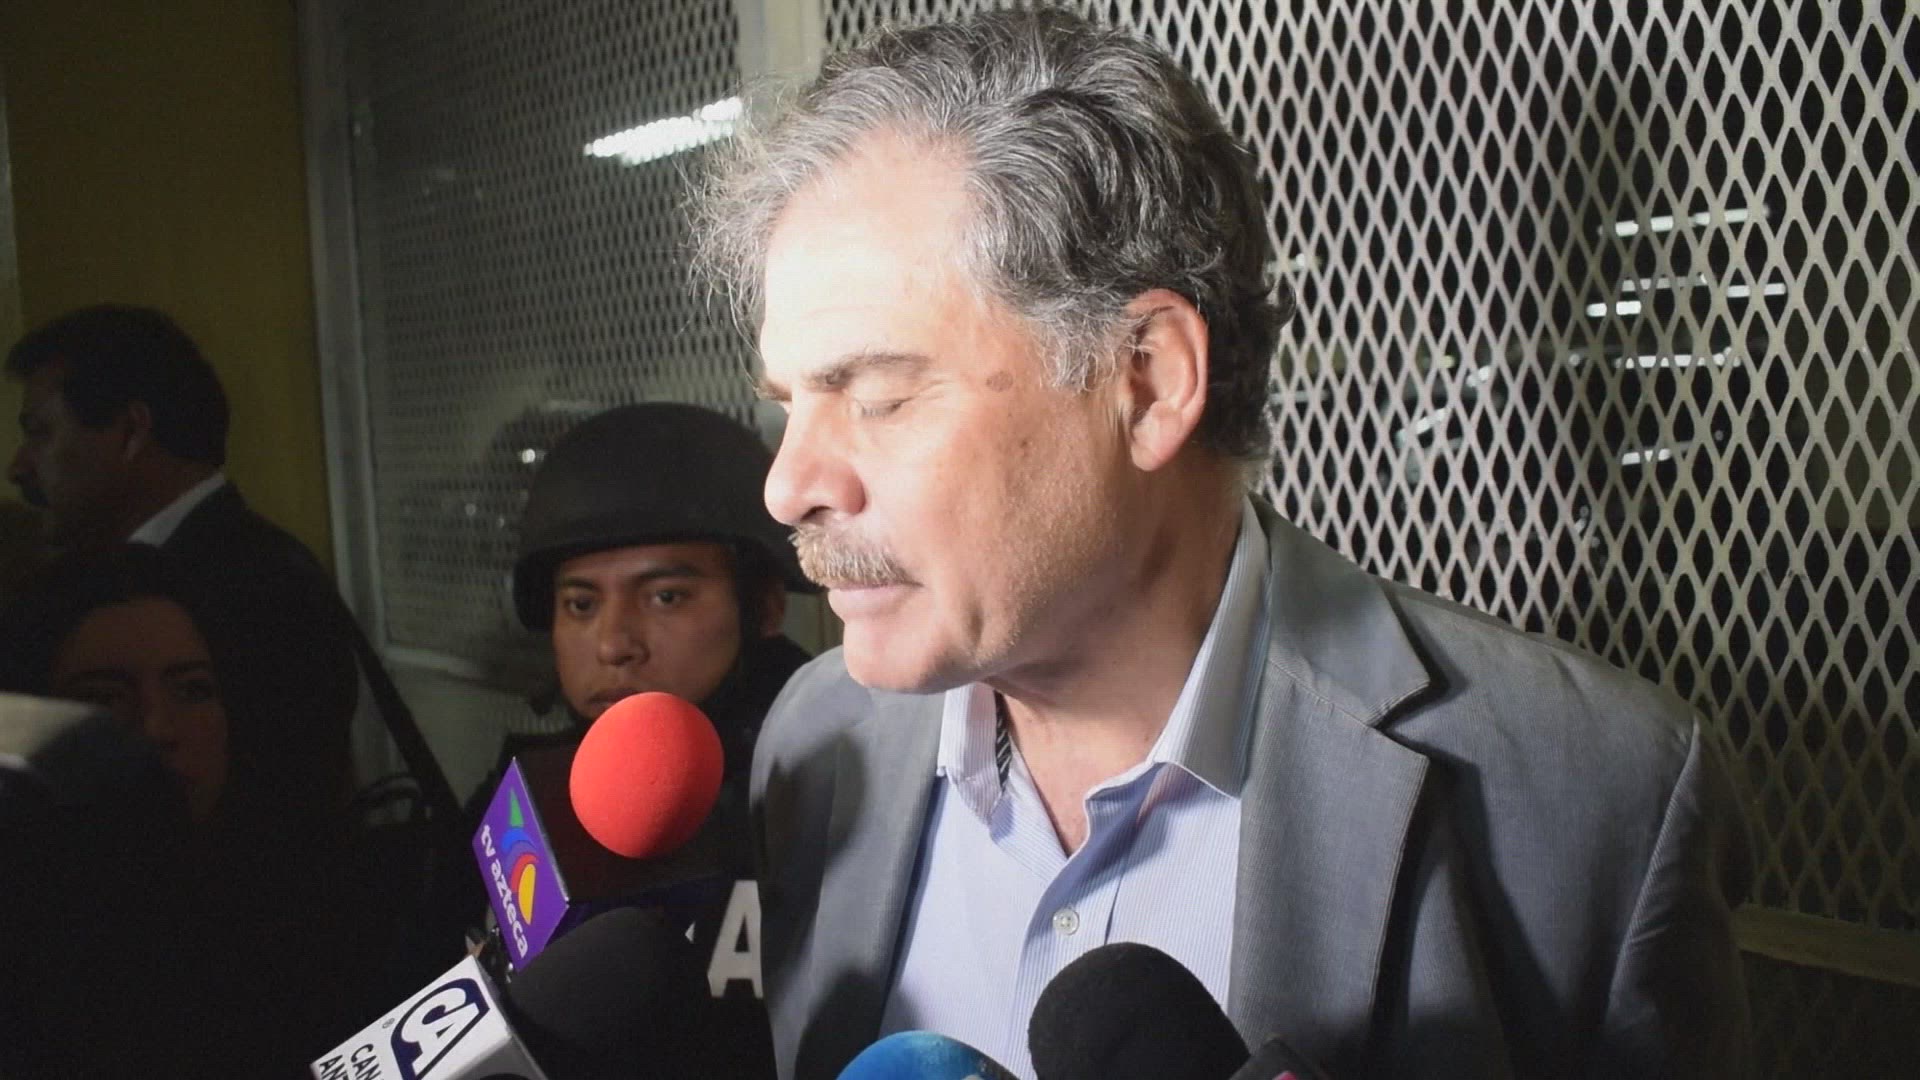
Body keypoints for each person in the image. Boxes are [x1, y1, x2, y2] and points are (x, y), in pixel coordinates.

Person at [692, 10, 1753, 1080]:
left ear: (1149, 382)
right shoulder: (814, 742)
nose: (787, 487)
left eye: (877, 395)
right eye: (788, 404)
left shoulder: (1592, 801)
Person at [472, 400, 817, 1078]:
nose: (614, 644)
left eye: (666, 597)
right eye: (580, 604)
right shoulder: (514, 806)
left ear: (765, 606)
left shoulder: (825, 793)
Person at [6, 304, 388, 840]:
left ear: (130, 432)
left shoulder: (255, 586)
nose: (18, 467)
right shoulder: (237, 564)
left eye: (40, 432)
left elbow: (272, 832)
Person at [0, 544, 367, 1075]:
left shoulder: (308, 920)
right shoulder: (29, 951)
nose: (157, 727)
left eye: (193, 690)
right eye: (104, 699)